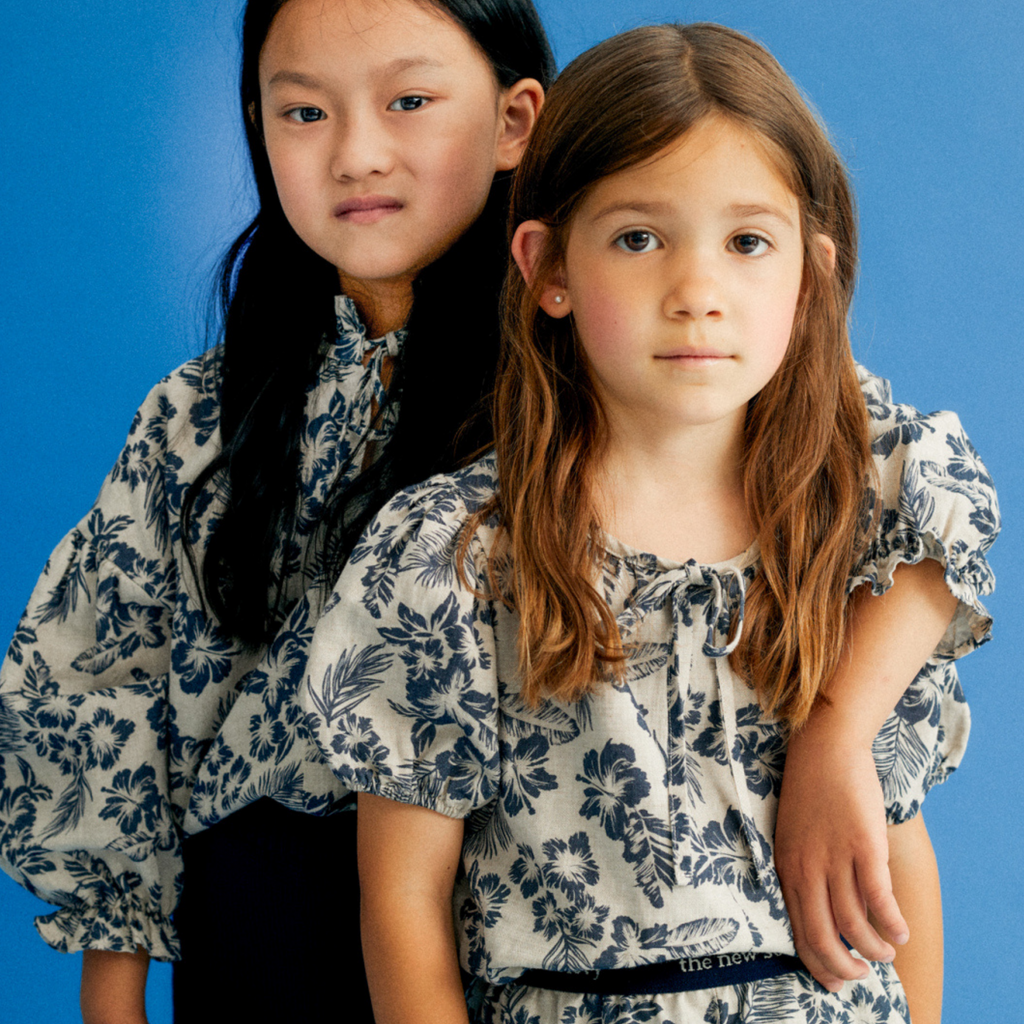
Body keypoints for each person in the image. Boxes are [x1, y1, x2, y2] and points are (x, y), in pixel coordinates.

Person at [300, 22, 997, 1024]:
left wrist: (837, 736)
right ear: (548, 267)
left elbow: (888, 872)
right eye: (638, 238)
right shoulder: (455, 555)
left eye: (747, 243)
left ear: (808, 275)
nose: (697, 294)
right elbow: (402, 904)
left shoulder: (846, 523)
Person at [0, 1, 553, 1021]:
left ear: (515, 120)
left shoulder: (591, 393)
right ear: (257, 125)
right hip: (261, 941)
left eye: (410, 101)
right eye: (304, 112)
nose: (356, 154)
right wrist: (114, 995)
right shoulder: (199, 415)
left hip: (516, 927)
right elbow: (104, 685)